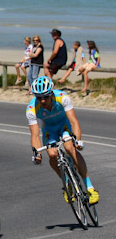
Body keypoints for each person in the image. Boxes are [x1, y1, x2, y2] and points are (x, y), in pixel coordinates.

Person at [28, 76, 98, 204]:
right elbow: (35, 135)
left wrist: (78, 141)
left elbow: (73, 121)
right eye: (39, 97)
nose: (42, 101)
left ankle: (90, 188)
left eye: (45, 97)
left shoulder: (63, 98)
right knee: (53, 154)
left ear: (51, 94)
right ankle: (67, 183)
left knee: (69, 147)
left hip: (64, 125)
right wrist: (37, 153)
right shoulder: (31, 109)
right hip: (50, 130)